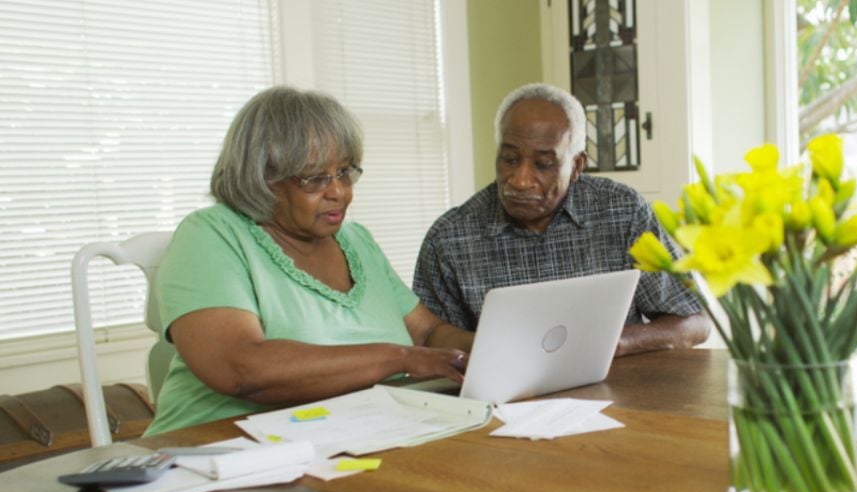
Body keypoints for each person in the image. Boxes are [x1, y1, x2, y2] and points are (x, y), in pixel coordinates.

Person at [144, 86, 473, 436]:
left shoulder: (356, 240)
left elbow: (426, 333)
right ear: (263, 178)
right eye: (315, 178)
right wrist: (399, 359)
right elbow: (239, 367)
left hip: (351, 437)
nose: (339, 192)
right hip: (220, 452)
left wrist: (489, 350)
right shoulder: (212, 234)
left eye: (345, 172)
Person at [413, 83, 710, 356]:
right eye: (510, 159)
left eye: (544, 164)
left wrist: (613, 344)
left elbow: (694, 322)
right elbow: (429, 339)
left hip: (619, 391)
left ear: (577, 164)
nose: (520, 180)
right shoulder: (449, 238)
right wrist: (509, 349)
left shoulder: (623, 212)